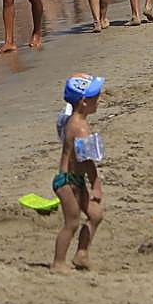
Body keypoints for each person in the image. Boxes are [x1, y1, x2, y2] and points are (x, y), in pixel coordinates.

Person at [52, 74, 105, 273]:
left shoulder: (71, 120)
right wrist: (96, 184)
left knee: (95, 215)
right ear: (84, 102)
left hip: (76, 181)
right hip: (66, 182)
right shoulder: (79, 128)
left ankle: (82, 254)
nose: (99, 100)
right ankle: (58, 262)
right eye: (95, 97)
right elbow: (87, 160)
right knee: (72, 223)